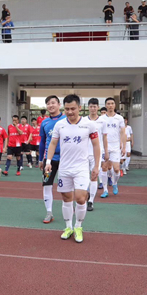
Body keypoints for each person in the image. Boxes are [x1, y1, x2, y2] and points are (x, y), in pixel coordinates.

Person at [44, 94, 100, 243]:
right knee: (66, 197)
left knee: (81, 198)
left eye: (73, 108)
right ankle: (68, 227)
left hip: (81, 168)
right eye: (67, 109)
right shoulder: (59, 125)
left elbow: (96, 145)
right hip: (64, 168)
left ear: (80, 108)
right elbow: (53, 143)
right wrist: (48, 161)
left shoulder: (89, 125)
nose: (70, 112)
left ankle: (78, 227)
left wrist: (96, 166)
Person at [39, 95, 66, 223]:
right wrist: (41, 159)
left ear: (59, 105)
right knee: (47, 184)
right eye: (48, 103)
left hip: (66, 159)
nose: (51, 105)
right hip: (49, 160)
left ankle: (68, 209)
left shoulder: (66, 119)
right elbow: (42, 142)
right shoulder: (44, 122)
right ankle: (49, 212)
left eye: (53, 103)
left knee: (66, 186)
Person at [100, 97, 126, 198]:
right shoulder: (102, 118)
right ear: (106, 105)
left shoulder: (119, 118)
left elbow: (123, 133)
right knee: (104, 167)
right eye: (108, 104)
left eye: (112, 103)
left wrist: (123, 146)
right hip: (104, 146)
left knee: (116, 169)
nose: (110, 105)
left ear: (115, 105)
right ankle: (105, 190)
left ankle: (114, 183)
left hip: (115, 146)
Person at [85, 99, 108, 212]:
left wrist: (106, 151)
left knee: (94, 176)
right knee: (84, 177)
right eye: (91, 106)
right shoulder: (83, 120)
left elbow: (105, 137)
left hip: (97, 154)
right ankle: (84, 196)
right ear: (88, 107)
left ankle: (91, 201)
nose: (93, 108)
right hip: (84, 153)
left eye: (95, 106)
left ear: (98, 107)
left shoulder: (103, 121)